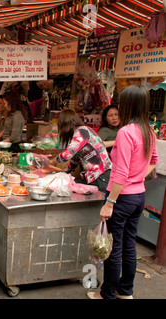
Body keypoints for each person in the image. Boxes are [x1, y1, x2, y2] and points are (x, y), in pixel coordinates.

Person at [88, 85, 159, 300]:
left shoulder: (126, 132)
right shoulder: (148, 130)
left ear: (127, 106)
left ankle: (107, 293)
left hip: (123, 197)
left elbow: (120, 173)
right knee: (129, 244)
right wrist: (138, 178)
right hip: (138, 197)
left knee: (114, 247)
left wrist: (109, 203)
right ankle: (125, 291)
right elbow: (153, 162)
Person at [51, 109, 112, 192]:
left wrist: (52, 161)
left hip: (101, 176)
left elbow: (67, 155)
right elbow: (74, 161)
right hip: (95, 177)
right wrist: (61, 171)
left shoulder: (82, 131)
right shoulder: (80, 133)